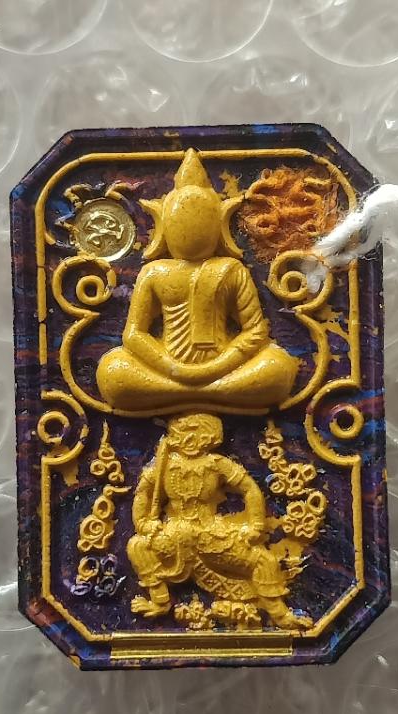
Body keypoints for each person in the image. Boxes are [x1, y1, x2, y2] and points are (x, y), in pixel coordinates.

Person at [96, 149, 298, 416]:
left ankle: (183, 395)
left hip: (222, 369)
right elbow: (134, 335)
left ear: (220, 222)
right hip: (168, 371)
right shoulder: (154, 272)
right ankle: (208, 394)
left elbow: (255, 332)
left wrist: (214, 369)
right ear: (163, 223)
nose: (191, 227)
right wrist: (173, 368)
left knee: (277, 367)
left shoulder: (231, 269)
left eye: (202, 219)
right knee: (114, 370)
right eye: (180, 219)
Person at [127, 413, 312, 629]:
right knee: (137, 545)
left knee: (264, 560)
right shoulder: (163, 466)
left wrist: (256, 526)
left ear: (209, 437)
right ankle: (160, 601)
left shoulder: (216, 464)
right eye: (183, 432)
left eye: (195, 433)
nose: (189, 439)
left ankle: (280, 615)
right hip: (174, 536)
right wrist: (143, 523)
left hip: (212, 535)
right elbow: (143, 493)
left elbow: (249, 489)